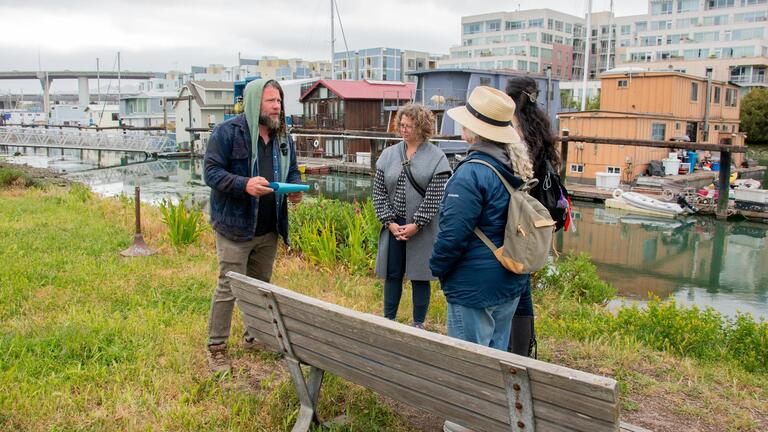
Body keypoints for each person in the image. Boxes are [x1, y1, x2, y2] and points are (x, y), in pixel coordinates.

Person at [203, 79, 302, 374]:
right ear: (253, 103)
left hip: (269, 227)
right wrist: (244, 184)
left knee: (261, 286)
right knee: (229, 286)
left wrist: (295, 189)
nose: (277, 107)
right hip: (235, 226)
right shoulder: (226, 133)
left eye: (279, 101)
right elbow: (211, 173)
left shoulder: (283, 136)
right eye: (271, 101)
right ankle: (217, 346)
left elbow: (292, 170)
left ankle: (255, 336)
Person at [430, 85, 533, 350]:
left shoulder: (470, 173)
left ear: (472, 131)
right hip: (508, 279)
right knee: (497, 359)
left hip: (473, 287)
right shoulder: (512, 166)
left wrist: (437, 267)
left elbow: (452, 234)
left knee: (470, 368)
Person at [373, 103, 450, 329]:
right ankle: (389, 320)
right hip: (394, 225)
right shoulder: (388, 155)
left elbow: (436, 196)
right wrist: (389, 221)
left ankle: (418, 324)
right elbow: (378, 192)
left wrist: (417, 223)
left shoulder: (436, 157)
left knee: (420, 275)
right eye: (402, 125)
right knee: (392, 273)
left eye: (410, 126)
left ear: (422, 127)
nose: (404, 130)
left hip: (422, 229)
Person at [505, 76, 561, 357]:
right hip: (536, 212)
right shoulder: (540, 128)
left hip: (515, 212)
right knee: (523, 276)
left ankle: (511, 344)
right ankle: (524, 344)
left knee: (513, 273)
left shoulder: (511, 130)